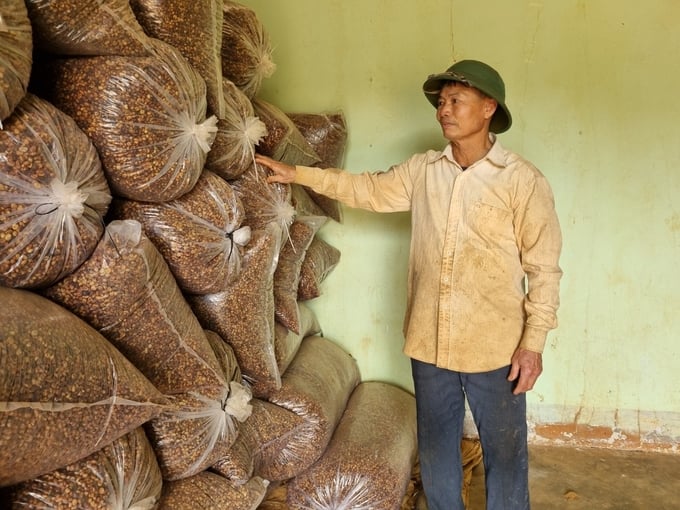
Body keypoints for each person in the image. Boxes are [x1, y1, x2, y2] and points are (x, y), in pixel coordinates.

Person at [256, 59, 562, 510]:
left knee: (505, 452)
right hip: (429, 341)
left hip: (494, 346)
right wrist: (299, 174)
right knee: (437, 448)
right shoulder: (424, 171)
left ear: (487, 108)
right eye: (441, 102)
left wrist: (532, 343)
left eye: (456, 100)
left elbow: (545, 269)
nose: (444, 110)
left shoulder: (521, 180)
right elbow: (366, 189)